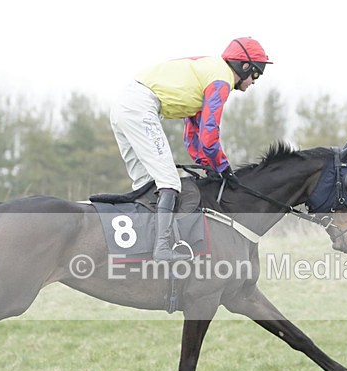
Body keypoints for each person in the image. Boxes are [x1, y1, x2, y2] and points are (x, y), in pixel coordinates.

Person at [110, 37, 271, 261]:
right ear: (244, 66)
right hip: (141, 107)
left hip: (124, 106)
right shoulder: (221, 79)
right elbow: (209, 134)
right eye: (256, 74)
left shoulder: (209, 72)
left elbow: (193, 135)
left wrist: (208, 165)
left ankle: (143, 248)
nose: (254, 81)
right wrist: (223, 168)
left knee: (145, 185)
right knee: (169, 183)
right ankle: (162, 249)